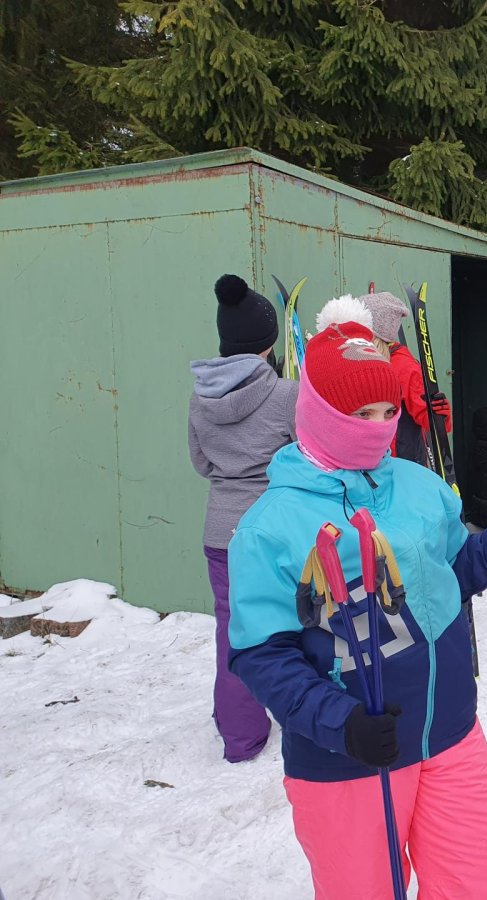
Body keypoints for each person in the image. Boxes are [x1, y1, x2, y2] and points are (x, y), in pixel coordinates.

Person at [226, 316, 487, 899]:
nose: (379, 428)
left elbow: (452, 575)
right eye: (361, 414)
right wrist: (341, 723)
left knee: (481, 883)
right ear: (319, 413)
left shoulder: (418, 485)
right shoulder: (269, 528)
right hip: (351, 759)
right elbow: (262, 656)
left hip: (449, 733)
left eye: (388, 412)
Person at [188, 273, 298, 763]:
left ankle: (240, 734)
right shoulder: (286, 395)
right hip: (275, 530)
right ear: (268, 340)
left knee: (232, 629)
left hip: (220, 531)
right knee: (297, 621)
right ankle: (303, 714)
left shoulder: (200, 398)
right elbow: (306, 457)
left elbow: (201, 463)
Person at [315, 292, 452, 466]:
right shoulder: (358, 358)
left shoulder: (404, 366)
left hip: (399, 462)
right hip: (364, 456)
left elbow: (432, 422)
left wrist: (439, 414)